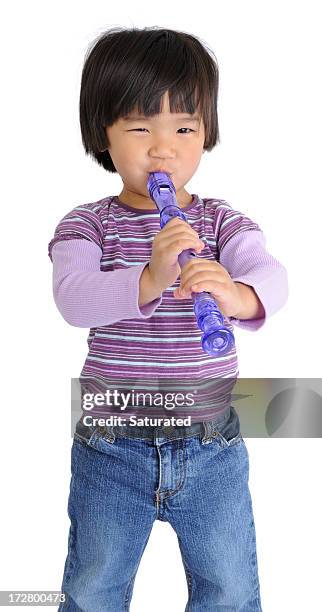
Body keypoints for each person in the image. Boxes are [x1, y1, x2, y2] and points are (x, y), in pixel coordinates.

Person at [48, 26, 288, 611]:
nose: (164, 149)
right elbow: (72, 298)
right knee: (93, 588)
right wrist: (148, 279)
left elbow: (270, 273)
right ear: (101, 135)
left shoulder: (220, 222)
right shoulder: (88, 225)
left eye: (185, 128)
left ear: (207, 132)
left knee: (229, 589)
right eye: (139, 128)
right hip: (110, 446)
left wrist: (237, 295)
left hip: (212, 447)